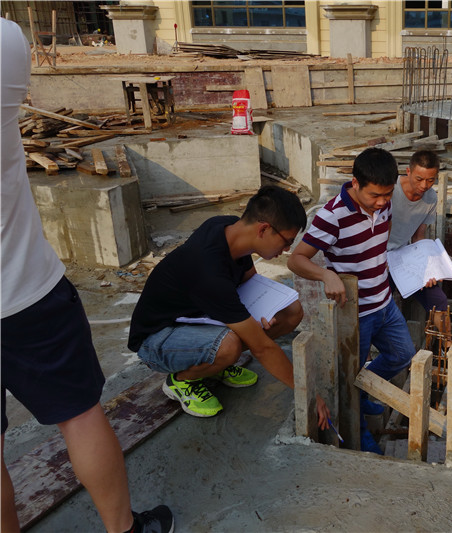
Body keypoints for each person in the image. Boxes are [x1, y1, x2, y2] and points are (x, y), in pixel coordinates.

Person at [0, 18, 173, 533]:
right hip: (24, 292)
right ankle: (123, 529)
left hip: (23, 292)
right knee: (78, 415)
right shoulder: (6, 41)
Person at [128, 186, 330, 428]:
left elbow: (249, 279)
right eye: (286, 241)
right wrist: (308, 393)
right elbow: (262, 348)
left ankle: (215, 364)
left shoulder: (227, 228)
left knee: (291, 311)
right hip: (156, 339)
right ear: (263, 229)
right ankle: (182, 380)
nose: (286, 250)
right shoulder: (208, 270)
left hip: (194, 317)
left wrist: (263, 312)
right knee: (229, 346)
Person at [288, 147, 417, 455]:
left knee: (403, 355)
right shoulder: (331, 216)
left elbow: (382, 236)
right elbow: (296, 260)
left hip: (384, 303)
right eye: (375, 195)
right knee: (349, 379)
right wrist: (326, 275)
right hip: (355, 314)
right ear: (355, 183)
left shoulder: (384, 204)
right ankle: (362, 437)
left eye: (388, 194)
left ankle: (366, 392)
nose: (382, 202)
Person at [387, 150, 449, 331]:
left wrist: (424, 269)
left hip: (403, 256)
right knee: (379, 306)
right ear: (408, 171)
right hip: (378, 256)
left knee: (439, 301)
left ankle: (449, 345)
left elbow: (418, 237)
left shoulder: (431, 198)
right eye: (419, 179)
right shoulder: (390, 189)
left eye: (430, 180)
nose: (424, 185)